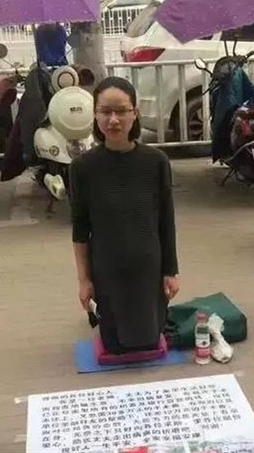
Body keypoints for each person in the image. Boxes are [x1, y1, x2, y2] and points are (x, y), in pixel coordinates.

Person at [69, 77, 180, 354]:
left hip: (148, 264)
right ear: (95, 115)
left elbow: (166, 222)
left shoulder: (156, 162)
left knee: (148, 341)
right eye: (105, 111)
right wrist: (85, 281)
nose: (113, 120)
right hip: (107, 267)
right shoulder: (82, 167)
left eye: (121, 111)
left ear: (135, 113)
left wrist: (170, 271)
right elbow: (80, 231)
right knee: (116, 345)